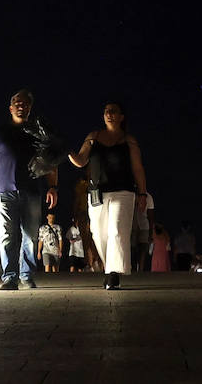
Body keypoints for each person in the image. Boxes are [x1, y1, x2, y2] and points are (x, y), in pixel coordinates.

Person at [0, 89, 58, 290]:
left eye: (25, 103)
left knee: (30, 235)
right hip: (4, 191)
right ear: (11, 107)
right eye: (17, 102)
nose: (21, 105)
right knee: (7, 235)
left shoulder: (38, 133)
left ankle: (27, 275)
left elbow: (51, 162)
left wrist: (53, 187)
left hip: (32, 191)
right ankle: (10, 277)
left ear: (30, 108)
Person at [68, 101, 148, 290]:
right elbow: (80, 161)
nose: (109, 114)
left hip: (124, 191)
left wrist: (142, 193)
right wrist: (66, 151)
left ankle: (113, 274)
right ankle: (108, 267)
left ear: (122, 117)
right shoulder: (93, 137)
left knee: (117, 230)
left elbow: (137, 168)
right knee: (98, 233)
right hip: (97, 193)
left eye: (113, 111)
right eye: (106, 111)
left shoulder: (129, 140)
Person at [132, 190, 156, 271]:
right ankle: (135, 269)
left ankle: (140, 270)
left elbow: (151, 216)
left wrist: (151, 233)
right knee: (133, 249)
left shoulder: (148, 197)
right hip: (134, 226)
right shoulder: (132, 194)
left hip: (143, 226)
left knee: (142, 249)